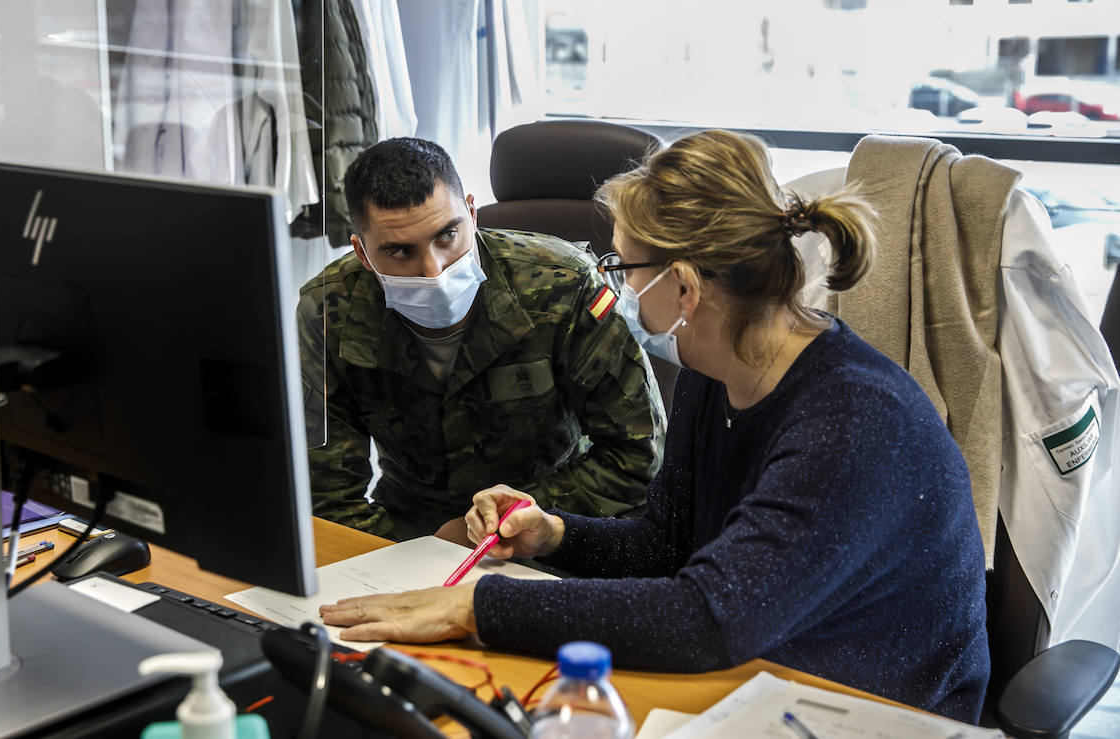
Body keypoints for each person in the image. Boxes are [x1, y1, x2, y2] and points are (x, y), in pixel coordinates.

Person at [318, 130, 991, 723]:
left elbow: (709, 617)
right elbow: (666, 543)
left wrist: (475, 607)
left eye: (624, 266)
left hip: (873, 707)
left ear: (685, 287)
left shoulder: (854, 420)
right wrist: (552, 534)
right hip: (765, 672)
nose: (619, 284)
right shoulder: (716, 364)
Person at [298, 137, 664, 541]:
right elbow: (327, 494)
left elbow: (638, 453)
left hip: (547, 523)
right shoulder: (330, 309)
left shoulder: (563, 285)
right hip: (407, 532)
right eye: (400, 252)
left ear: (471, 214)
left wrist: (510, 520)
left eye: (447, 236)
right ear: (363, 254)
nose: (433, 270)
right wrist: (397, 566)